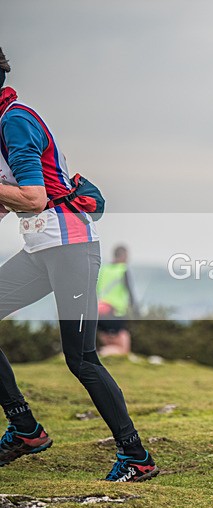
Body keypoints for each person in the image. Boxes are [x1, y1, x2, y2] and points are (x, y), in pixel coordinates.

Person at [0, 48, 158, 481]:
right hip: (41, 250)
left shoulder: (13, 120)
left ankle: (137, 457)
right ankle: (25, 428)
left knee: (82, 359)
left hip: (70, 248)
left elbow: (34, 198)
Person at [97, 244, 136, 356]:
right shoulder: (122, 269)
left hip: (100, 311)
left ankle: (102, 354)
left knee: (109, 342)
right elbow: (130, 292)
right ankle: (101, 353)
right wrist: (135, 311)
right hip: (115, 311)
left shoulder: (104, 269)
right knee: (123, 348)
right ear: (123, 256)